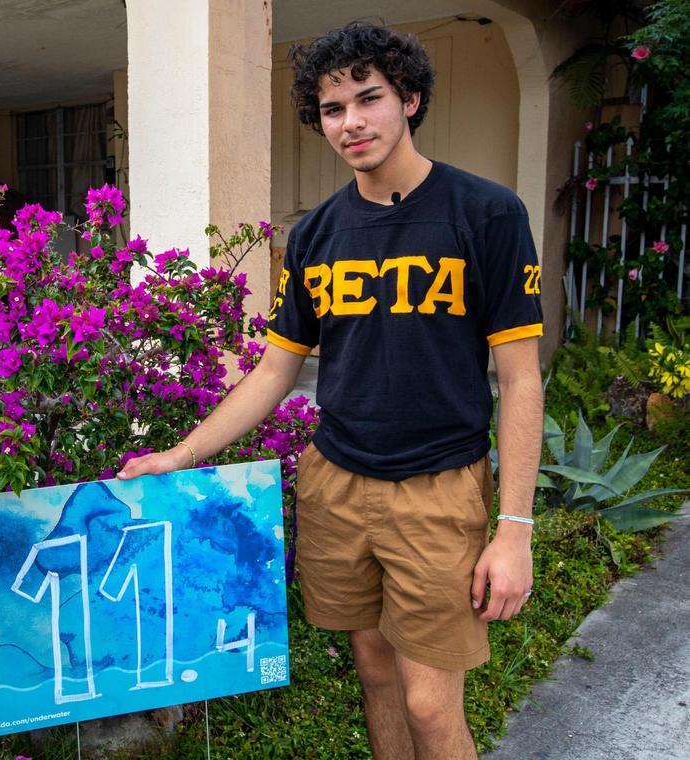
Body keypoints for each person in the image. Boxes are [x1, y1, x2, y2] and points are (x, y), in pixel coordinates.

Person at [117, 22, 543, 760]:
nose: (350, 122)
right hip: (337, 483)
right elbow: (278, 369)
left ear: (409, 99)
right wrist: (181, 454)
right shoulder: (317, 234)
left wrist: (514, 529)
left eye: (367, 99)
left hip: (438, 488)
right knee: (375, 675)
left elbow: (520, 377)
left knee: (431, 707)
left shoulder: (486, 213)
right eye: (332, 109)